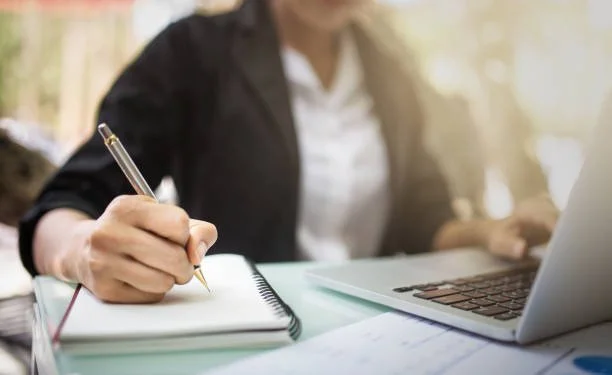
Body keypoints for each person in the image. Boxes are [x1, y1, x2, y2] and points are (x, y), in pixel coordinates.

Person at [19, 0, 558, 304]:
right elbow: (63, 205)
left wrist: (491, 232)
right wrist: (81, 250)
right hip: (242, 331)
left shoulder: (392, 72)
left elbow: (424, 218)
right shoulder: (192, 52)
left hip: (379, 332)